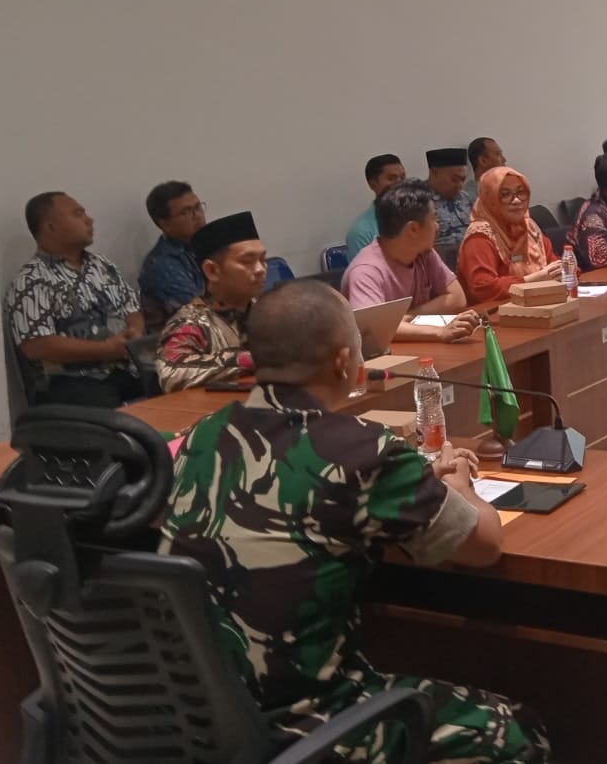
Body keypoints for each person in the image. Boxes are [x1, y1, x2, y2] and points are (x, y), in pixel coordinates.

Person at [161, 280, 549, 762]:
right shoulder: (364, 449)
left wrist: (412, 484)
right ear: (345, 361)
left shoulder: (200, 437)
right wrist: (460, 485)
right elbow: (484, 545)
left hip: (194, 720)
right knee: (516, 732)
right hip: (305, 724)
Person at [3, 192, 144, 408]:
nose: (89, 220)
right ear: (51, 226)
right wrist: (107, 349)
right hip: (72, 382)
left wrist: (135, 333)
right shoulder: (31, 279)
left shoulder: (102, 265)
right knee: (112, 412)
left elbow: (131, 308)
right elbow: (37, 345)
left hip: (125, 369)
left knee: (173, 385)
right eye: (78, 214)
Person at [341, 179, 480, 343]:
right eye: (434, 219)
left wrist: (408, 316)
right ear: (413, 229)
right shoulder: (365, 271)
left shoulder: (424, 253)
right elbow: (374, 329)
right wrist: (439, 332)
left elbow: (457, 297)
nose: (437, 227)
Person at [157, 211, 266, 392]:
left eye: (263, 260)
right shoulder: (191, 322)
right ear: (212, 271)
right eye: (247, 261)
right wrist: (254, 359)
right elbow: (171, 371)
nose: (260, 269)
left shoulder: (269, 310)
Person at [458, 167, 562, 304]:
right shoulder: (479, 236)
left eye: (521, 192)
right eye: (505, 195)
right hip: (496, 311)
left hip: (535, 303)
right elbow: (484, 288)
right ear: (490, 198)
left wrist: (564, 268)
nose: (517, 200)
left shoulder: (529, 227)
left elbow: (553, 264)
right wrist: (533, 280)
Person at [138, 180, 207, 332]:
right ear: (165, 224)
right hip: (181, 339)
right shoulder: (161, 264)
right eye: (186, 212)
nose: (197, 216)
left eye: (198, 207)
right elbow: (201, 313)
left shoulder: (205, 244)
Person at [346, 154, 406, 258]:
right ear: (373, 184)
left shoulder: (418, 217)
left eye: (402, 177)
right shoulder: (361, 232)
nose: (400, 184)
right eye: (391, 178)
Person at [426, 148, 473, 264]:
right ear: (434, 172)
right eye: (454, 179)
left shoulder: (465, 198)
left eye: (462, 179)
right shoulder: (420, 200)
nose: (459, 185)